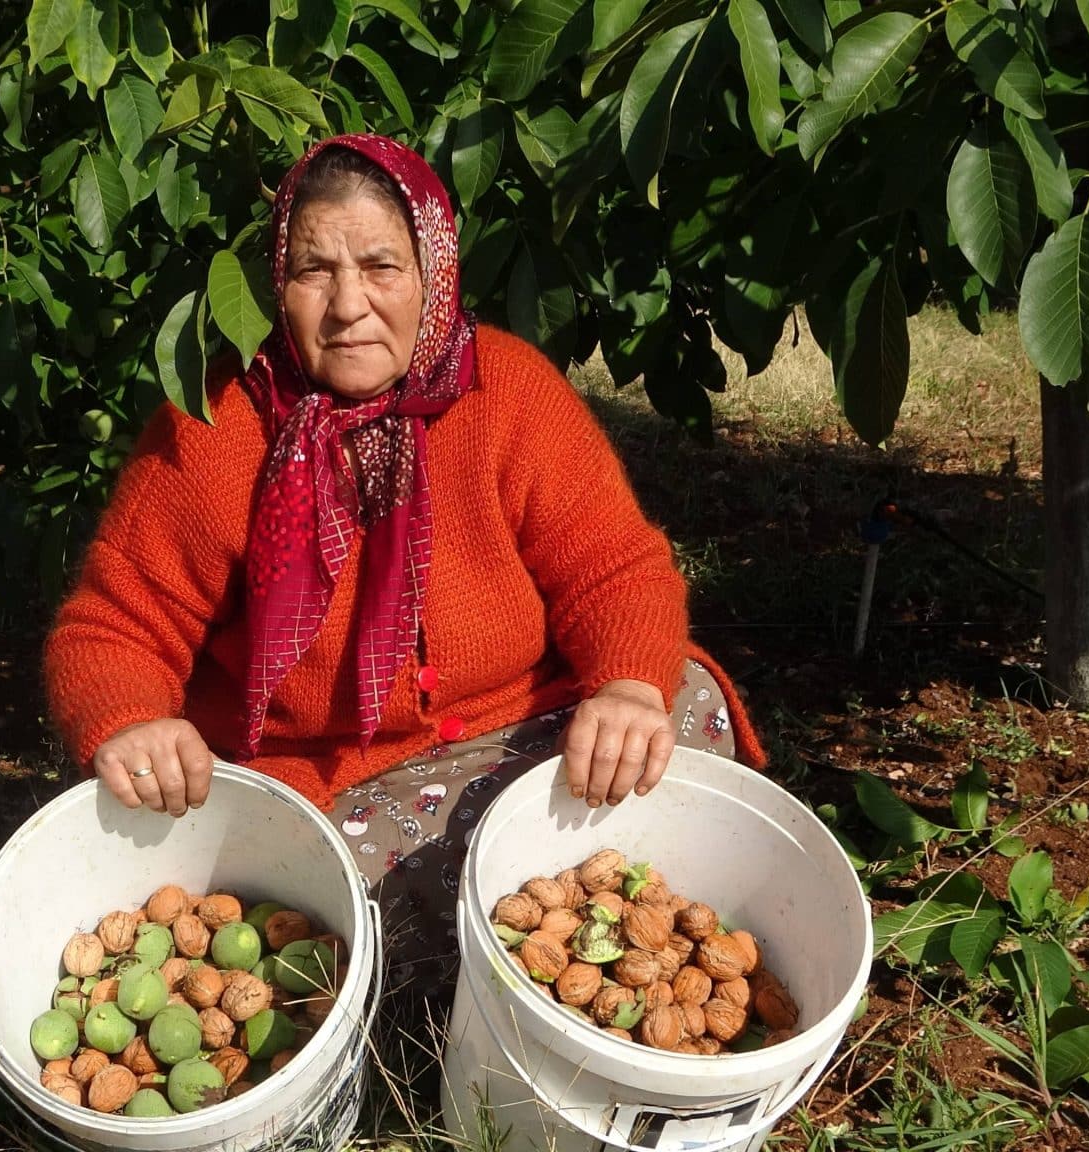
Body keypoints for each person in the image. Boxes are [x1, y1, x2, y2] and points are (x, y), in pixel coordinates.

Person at [43, 134, 762, 988]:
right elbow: (111, 627)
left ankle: (523, 949)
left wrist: (626, 687)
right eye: (315, 271)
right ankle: (439, 980)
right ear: (280, 284)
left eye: (381, 265)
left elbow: (615, 567)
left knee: (686, 703)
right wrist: (133, 721)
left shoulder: (507, 390)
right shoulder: (222, 428)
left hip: (524, 737)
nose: (348, 305)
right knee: (322, 911)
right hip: (337, 784)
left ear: (434, 272)